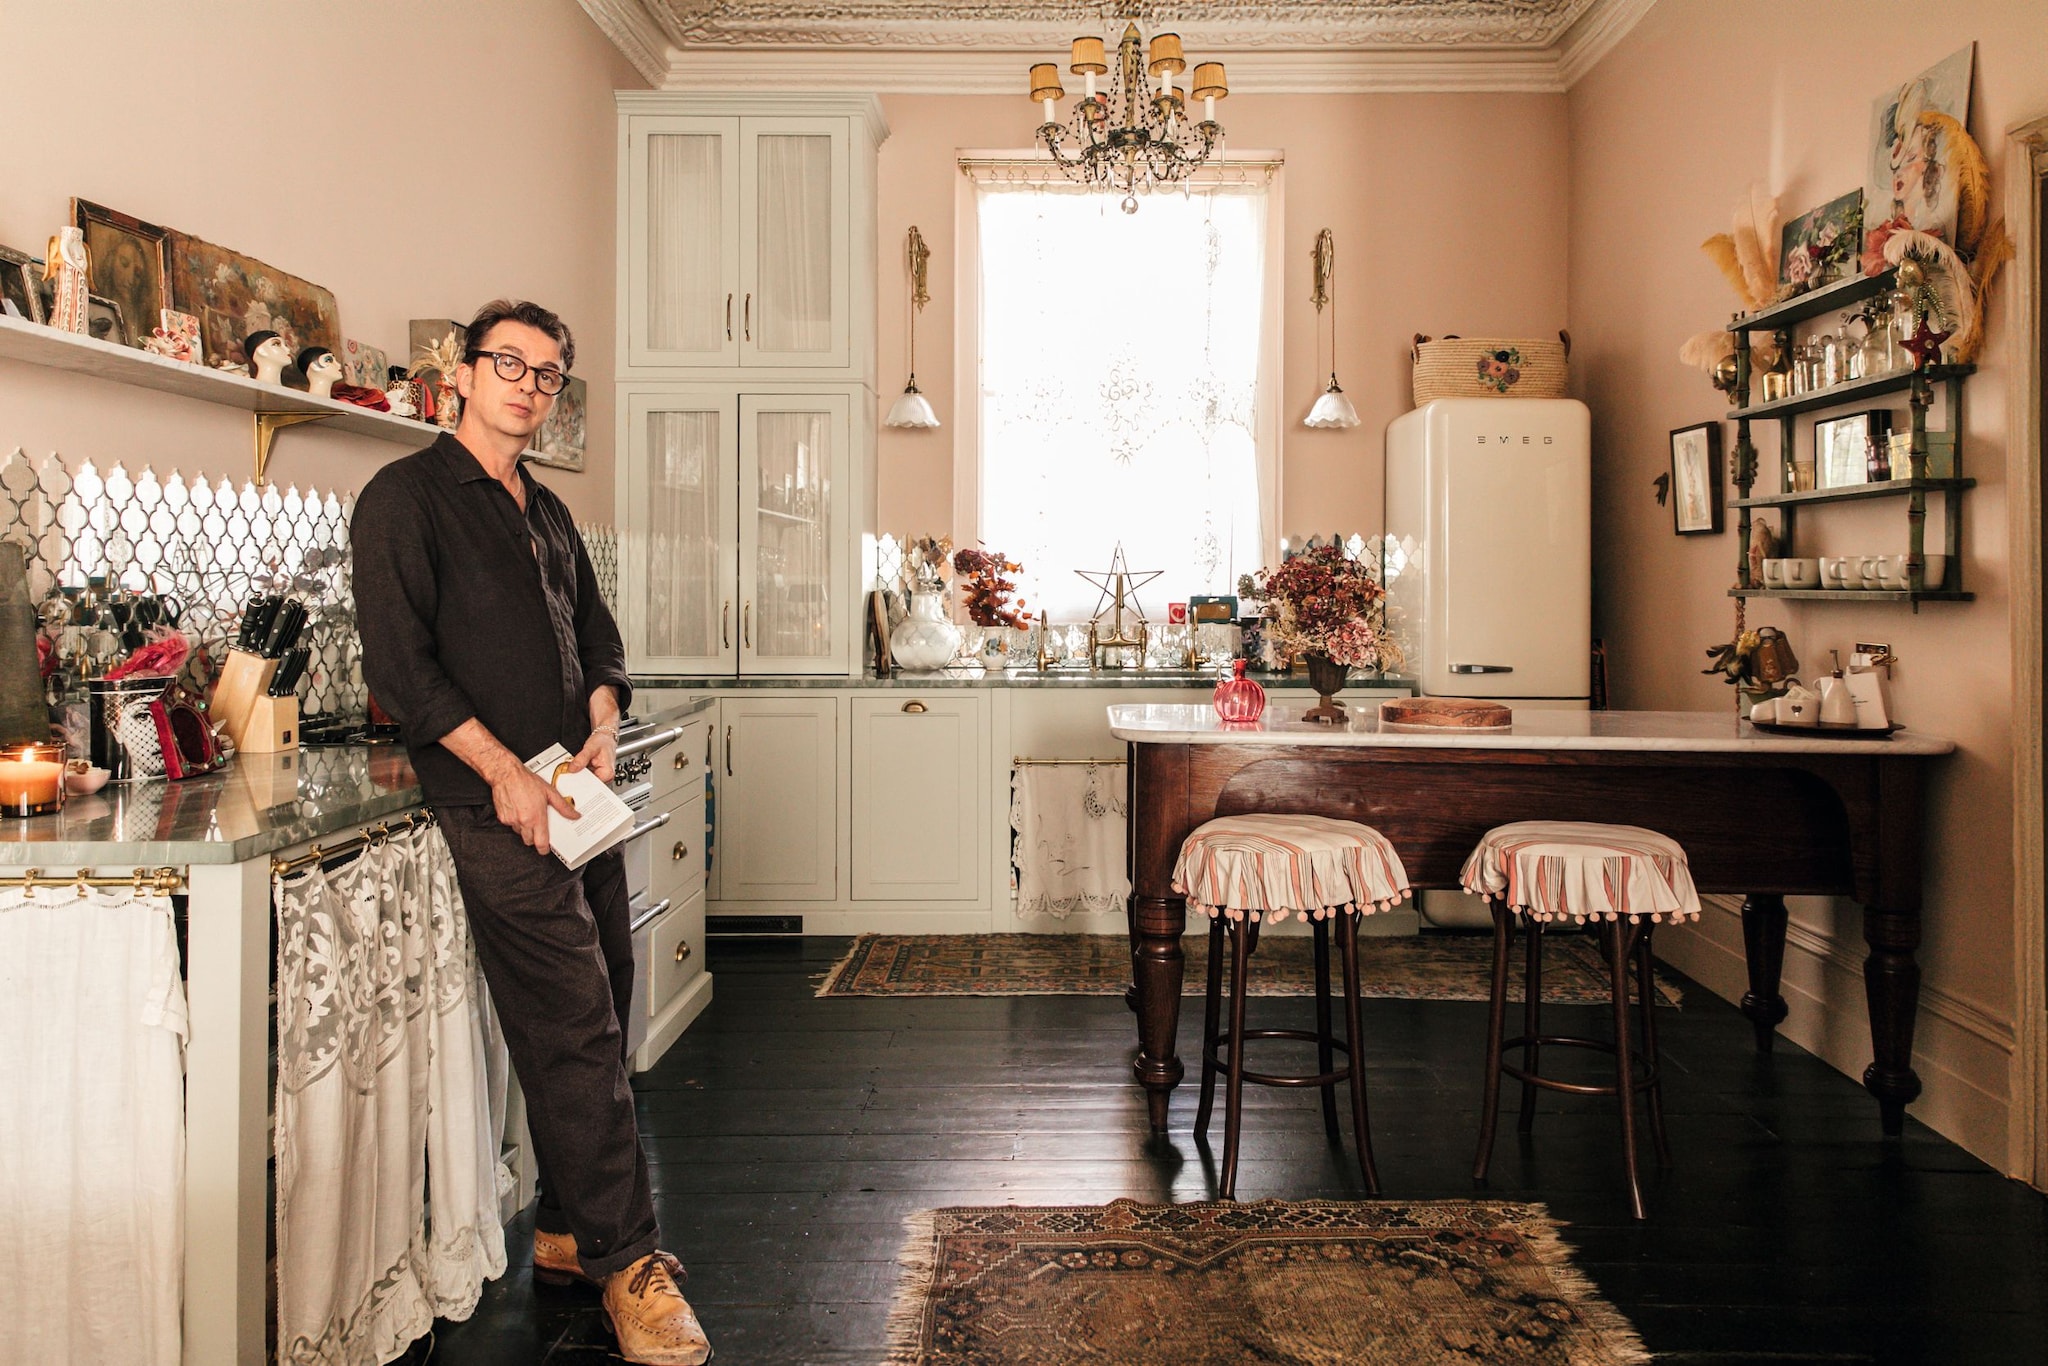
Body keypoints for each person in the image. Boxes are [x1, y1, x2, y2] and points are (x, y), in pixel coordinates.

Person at [351, 299, 712, 1365]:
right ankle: (629, 1267)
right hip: (489, 803)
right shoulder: (402, 500)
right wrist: (502, 769)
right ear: (459, 374)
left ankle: (563, 1226)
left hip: (569, 796)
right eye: (507, 363)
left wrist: (603, 714)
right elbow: (400, 669)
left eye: (547, 373)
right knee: (572, 1026)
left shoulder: (546, 511)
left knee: (608, 988)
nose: (526, 384)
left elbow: (596, 635)